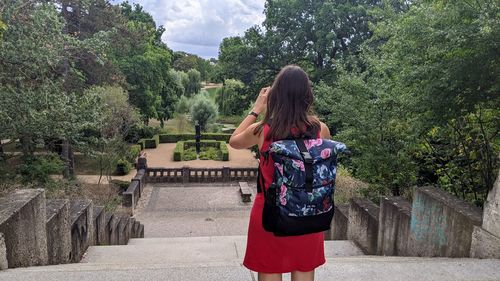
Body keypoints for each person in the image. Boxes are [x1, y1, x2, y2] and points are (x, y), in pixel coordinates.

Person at [229, 65, 331, 281]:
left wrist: (256, 109)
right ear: (307, 96)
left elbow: (233, 140)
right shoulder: (319, 129)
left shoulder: (262, 130)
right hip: (307, 215)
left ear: (275, 95)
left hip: (270, 215)